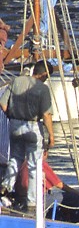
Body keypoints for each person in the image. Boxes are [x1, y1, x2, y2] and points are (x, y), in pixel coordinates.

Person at [0, 62, 54, 210]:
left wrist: (12, 117)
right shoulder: (42, 89)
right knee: (34, 165)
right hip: (33, 127)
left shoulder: (16, 81)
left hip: (15, 125)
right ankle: (32, 202)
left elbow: (3, 104)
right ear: (44, 74)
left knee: (15, 158)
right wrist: (51, 136)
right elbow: (46, 114)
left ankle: (6, 186)